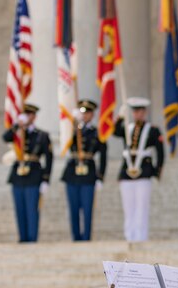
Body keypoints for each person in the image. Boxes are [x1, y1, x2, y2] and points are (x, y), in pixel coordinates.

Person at [114, 98, 164, 242]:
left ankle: (141, 237)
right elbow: (114, 132)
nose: (138, 115)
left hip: (144, 172)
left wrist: (157, 171)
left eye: (140, 112)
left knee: (142, 207)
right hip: (126, 174)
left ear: (145, 112)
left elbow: (160, 152)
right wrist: (120, 117)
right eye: (135, 112)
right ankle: (129, 236)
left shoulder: (153, 130)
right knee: (128, 208)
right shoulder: (127, 129)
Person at [2, 102, 53, 243]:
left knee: (32, 209)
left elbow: (49, 159)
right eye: (24, 114)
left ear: (34, 117)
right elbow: (5, 137)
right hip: (17, 175)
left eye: (29, 114)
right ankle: (22, 237)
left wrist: (46, 179)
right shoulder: (17, 132)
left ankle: (32, 238)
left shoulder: (42, 135)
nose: (26, 117)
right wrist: (17, 125)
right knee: (20, 209)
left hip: (34, 175)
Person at [60, 99, 107, 242]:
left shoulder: (97, 132)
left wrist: (100, 176)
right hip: (72, 173)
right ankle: (76, 237)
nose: (85, 115)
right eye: (82, 112)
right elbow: (65, 141)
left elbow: (103, 156)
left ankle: (86, 237)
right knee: (73, 209)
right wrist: (72, 124)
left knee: (87, 210)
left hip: (89, 174)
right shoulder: (72, 130)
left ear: (92, 115)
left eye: (87, 113)